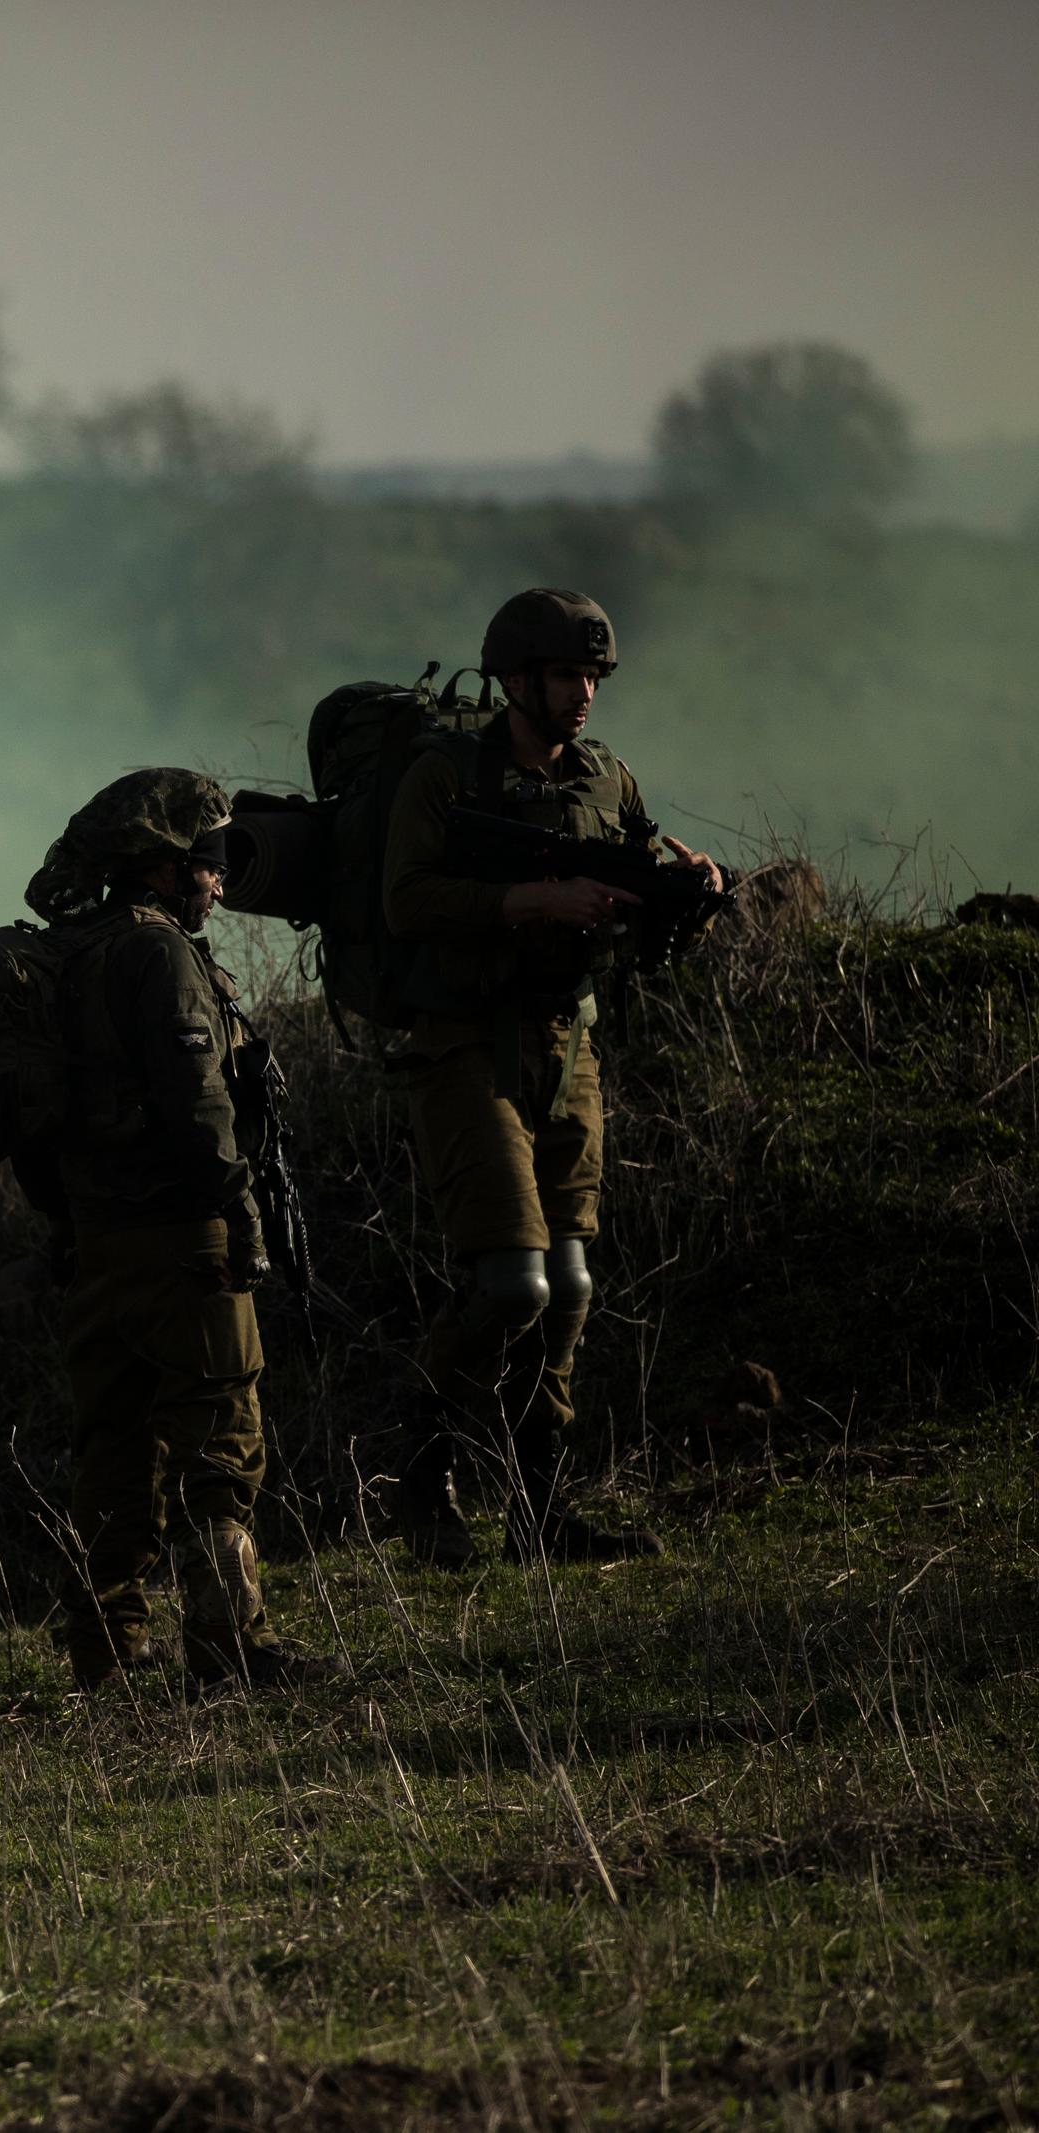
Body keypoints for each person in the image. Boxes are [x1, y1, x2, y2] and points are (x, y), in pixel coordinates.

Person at [380, 589, 724, 1567]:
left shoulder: (603, 778)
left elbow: (637, 864)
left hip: (567, 1043)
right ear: (515, 680)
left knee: (567, 1284)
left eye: (592, 677)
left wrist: (686, 884)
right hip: (462, 1044)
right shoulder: (444, 776)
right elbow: (403, 902)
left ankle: (538, 1513)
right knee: (509, 1285)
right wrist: (527, 900)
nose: (582, 694)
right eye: (566, 676)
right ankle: (425, 1467)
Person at [22, 772, 322, 1692]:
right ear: (163, 864)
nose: (221, 883)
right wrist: (239, 1211)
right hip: (183, 1238)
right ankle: (232, 1646)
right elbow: (200, 1106)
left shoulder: (66, 956)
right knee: (220, 1444)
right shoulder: (162, 957)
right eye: (212, 861)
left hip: (98, 1247)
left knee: (112, 1454)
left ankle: (106, 1657)